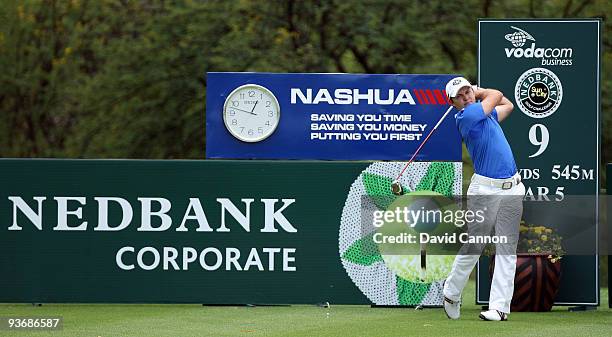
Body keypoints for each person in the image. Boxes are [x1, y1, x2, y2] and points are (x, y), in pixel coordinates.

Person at [442, 77, 525, 321]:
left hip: (512, 189)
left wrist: (480, 94)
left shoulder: (485, 116)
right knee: (475, 245)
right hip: (485, 191)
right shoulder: (467, 117)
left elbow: (508, 105)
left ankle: (499, 308)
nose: (467, 96)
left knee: (507, 249)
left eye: (468, 91)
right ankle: (451, 291)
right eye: (461, 94)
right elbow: (498, 93)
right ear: (453, 102)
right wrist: (480, 91)